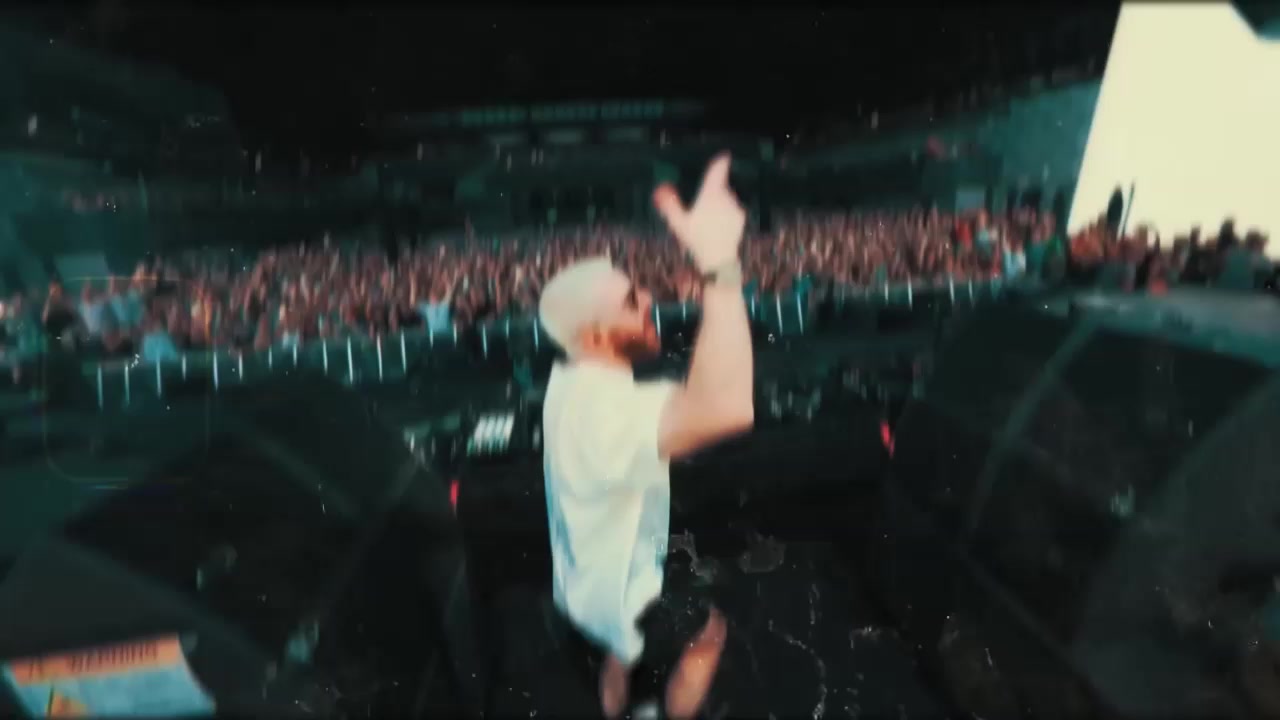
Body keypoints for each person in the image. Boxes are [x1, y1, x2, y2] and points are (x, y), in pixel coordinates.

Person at [538, 153, 755, 719]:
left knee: (617, 656)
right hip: (625, 594)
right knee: (708, 635)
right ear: (595, 336)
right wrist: (720, 266)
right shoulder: (605, 411)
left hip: (586, 589)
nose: (649, 301)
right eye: (631, 302)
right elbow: (727, 406)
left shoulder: (568, 380)